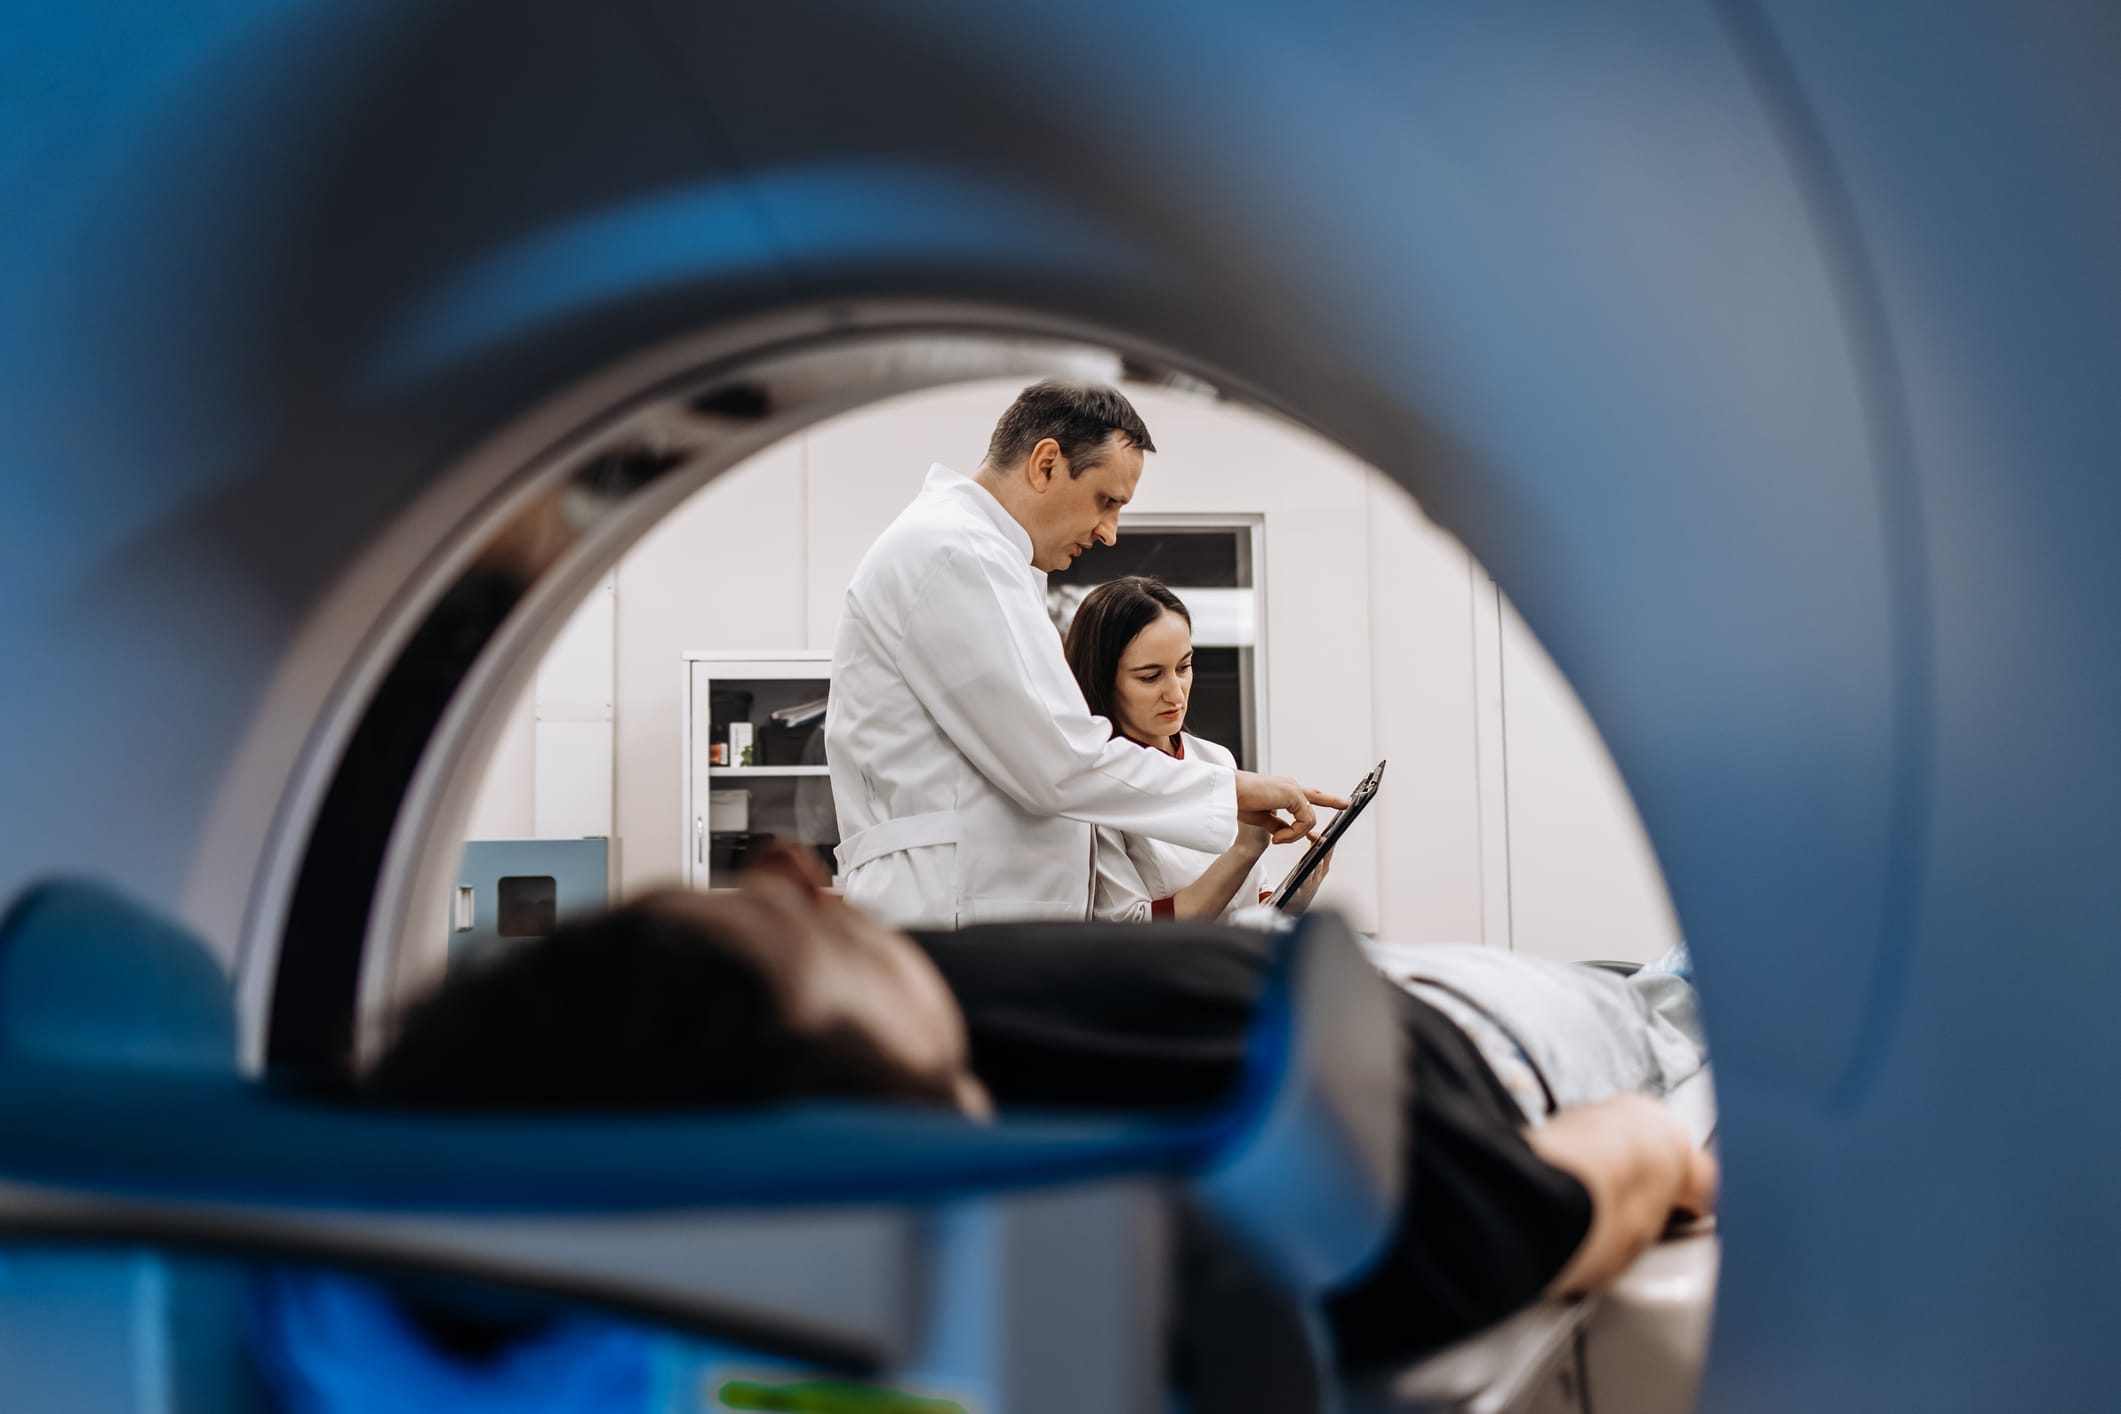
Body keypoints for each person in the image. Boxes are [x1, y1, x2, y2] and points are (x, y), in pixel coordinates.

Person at [338, 845, 1712, 1381]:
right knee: (1669, 1001)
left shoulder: (703, 1048)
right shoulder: (1328, 1206)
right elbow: (1641, 1157)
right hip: (1488, 1030)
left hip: (1348, 974)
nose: (810, 895)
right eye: (794, 929)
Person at [824, 380, 1345, 928]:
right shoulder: (954, 551)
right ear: (1046, 464)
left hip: (975, 914)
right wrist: (1234, 791)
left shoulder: (981, 557)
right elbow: (1058, 761)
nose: (1109, 532)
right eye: (1107, 501)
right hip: (945, 910)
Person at [1063, 575, 1330, 921]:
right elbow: (1131, 932)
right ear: (1102, 678)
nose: (1176, 694)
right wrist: (1244, 850)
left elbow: (1248, 904)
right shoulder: (1095, 783)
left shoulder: (1216, 759)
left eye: (1184, 667)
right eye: (1150, 676)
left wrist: (1296, 894)